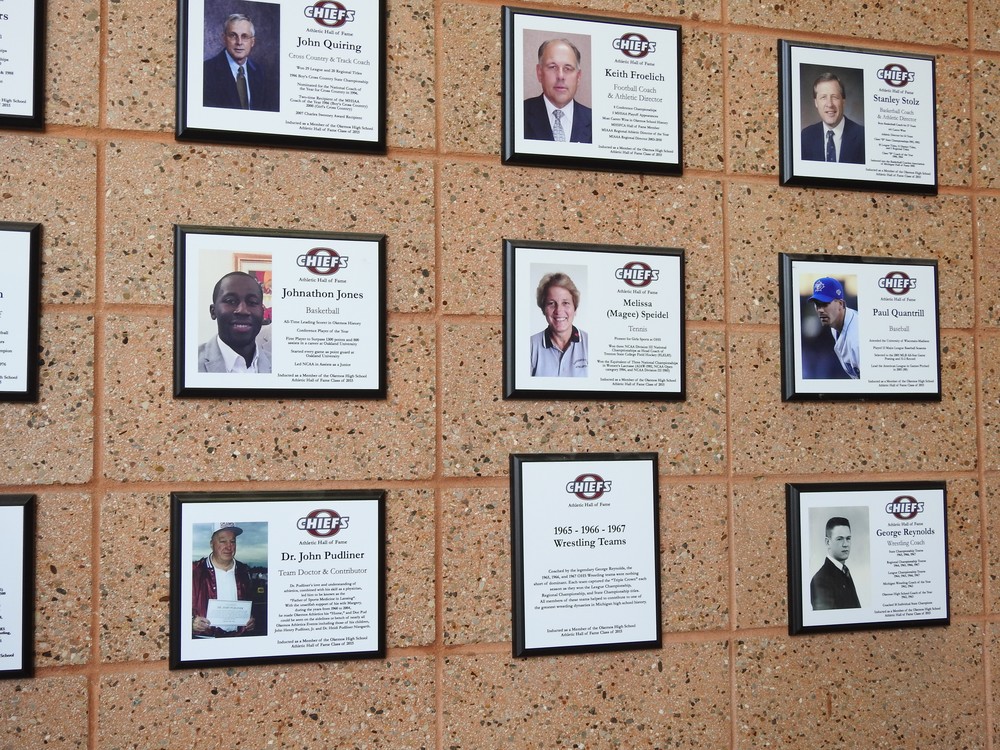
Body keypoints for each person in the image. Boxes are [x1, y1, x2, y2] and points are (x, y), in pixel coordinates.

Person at [198, 271, 272, 373]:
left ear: (262, 312)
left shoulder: (281, 365)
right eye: (231, 301)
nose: (242, 310)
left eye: (252, 302)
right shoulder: (188, 363)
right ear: (213, 311)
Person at [203, 13, 279, 111]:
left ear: (252, 42)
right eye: (233, 36)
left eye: (244, 36)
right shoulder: (206, 71)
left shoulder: (261, 73)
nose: (239, 42)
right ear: (224, 39)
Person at [191, 522, 257, 636]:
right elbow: (177, 605)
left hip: (238, 639)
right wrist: (190, 621)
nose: (228, 546)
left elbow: (254, 606)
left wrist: (252, 621)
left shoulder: (245, 572)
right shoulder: (194, 571)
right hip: (205, 639)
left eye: (232, 541)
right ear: (211, 544)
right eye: (222, 541)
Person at [523, 39, 593, 143]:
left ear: (578, 77)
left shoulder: (595, 121)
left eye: (567, 68)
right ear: (539, 73)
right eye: (552, 67)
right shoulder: (519, 113)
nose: (560, 76)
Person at [529, 272, 588, 376]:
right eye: (551, 303)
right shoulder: (530, 346)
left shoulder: (591, 344)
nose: (558, 311)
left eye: (565, 303)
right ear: (543, 309)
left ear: (575, 308)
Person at [800, 72, 865, 164]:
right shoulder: (806, 137)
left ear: (843, 101)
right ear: (816, 103)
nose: (829, 104)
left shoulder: (863, 136)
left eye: (834, 97)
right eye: (823, 97)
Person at [809, 276, 860, 379]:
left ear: (841, 304)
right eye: (817, 304)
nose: (820, 310)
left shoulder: (857, 339)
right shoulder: (835, 323)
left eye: (825, 304)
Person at [810, 516, 861, 610]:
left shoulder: (845, 571)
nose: (845, 544)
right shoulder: (820, 580)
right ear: (827, 542)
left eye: (848, 538)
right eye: (839, 539)